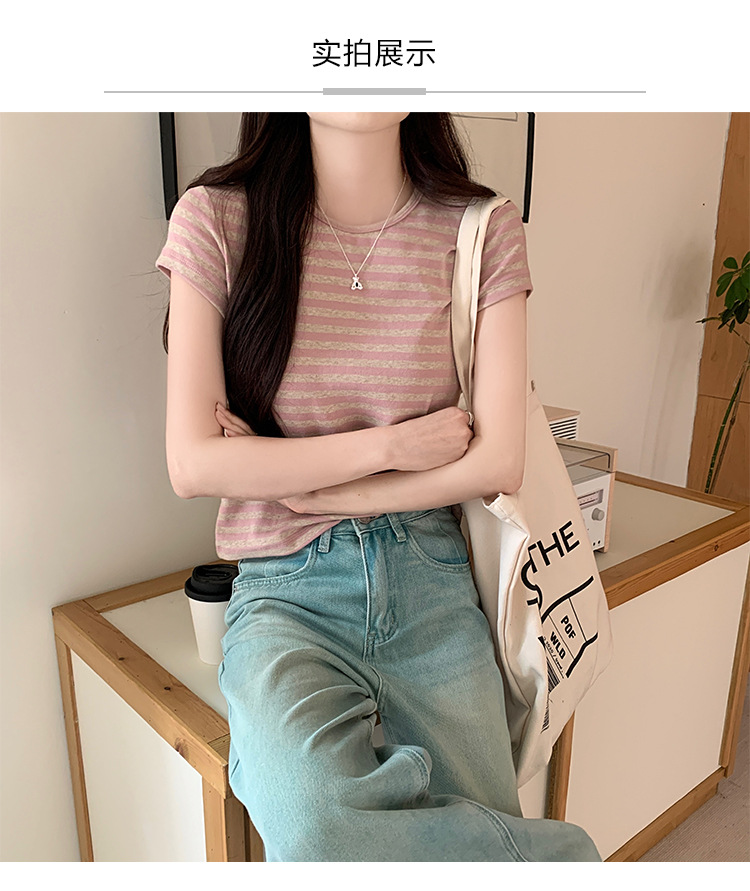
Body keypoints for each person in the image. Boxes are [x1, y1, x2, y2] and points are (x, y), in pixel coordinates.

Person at [155, 112, 601, 862]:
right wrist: (393, 447)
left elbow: (498, 462)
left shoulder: (482, 229)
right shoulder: (216, 220)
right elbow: (194, 464)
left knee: (483, 809)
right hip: (285, 592)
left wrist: (324, 487)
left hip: (433, 578)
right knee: (314, 828)